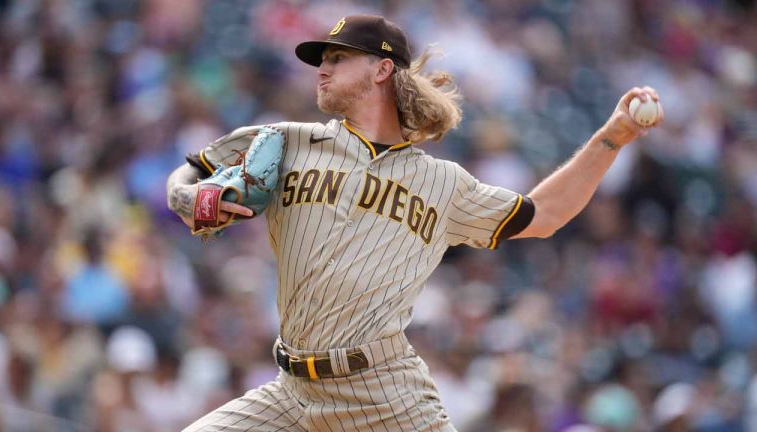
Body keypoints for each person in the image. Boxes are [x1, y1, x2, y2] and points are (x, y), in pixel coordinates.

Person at [166, 14, 663, 432]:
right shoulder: (286, 141)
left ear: (382, 69)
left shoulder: (443, 183)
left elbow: (545, 214)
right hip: (291, 392)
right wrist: (187, 198)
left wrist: (612, 137)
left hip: (385, 395)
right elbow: (190, 172)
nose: (322, 69)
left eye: (337, 58)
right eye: (322, 60)